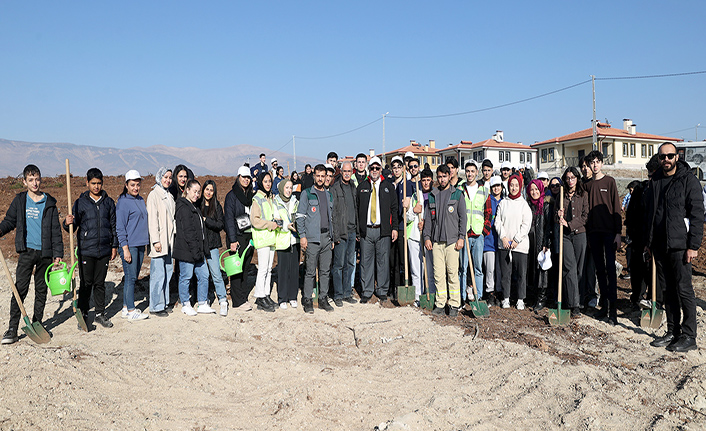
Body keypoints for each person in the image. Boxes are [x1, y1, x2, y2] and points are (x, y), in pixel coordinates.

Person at [646, 143, 704, 352]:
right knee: (667, 290)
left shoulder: (688, 180)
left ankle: (689, 336)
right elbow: (652, 215)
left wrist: (693, 246)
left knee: (684, 290)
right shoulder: (656, 181)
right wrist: (650, 243)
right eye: (662, 157)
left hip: (680, 246)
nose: (666, 160)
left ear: (677, 157)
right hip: (660, 245)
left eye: (670, 156)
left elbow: (697, 215)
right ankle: (673, 331)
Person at [0, 165, 63, 344]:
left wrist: (58, 253)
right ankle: (12, 329)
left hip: (45, 253)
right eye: (31, 180)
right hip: (26, 251)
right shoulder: (20, 200)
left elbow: (56, 231)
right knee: (20, 289)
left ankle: (37, 323)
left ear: (41, 180)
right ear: (24, 182)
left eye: (37, 179)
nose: (35, 183)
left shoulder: (49, 202)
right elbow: (9, 221)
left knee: (41, 289)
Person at [63, 168, 118, 328]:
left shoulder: (108, 202)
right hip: (86, 250)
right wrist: (67, 223)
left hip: (104, 250)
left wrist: (114, 245)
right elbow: (72, 226)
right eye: (93, 183)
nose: (96, 186)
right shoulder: (80, 203)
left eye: (99, 183)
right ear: (87, 183)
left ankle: (100, 314)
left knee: (100, 283)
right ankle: (84, 315)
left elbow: (113, 225)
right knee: (86, 284)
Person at [423, 164, 466, 316]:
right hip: (436, 242)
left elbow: (463, 218)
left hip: (452, 242)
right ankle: (440, 303)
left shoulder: (457, 195)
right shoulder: (433, 195)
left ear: (449, 176)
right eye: (439, 177)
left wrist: (461, 237)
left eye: (444, 176)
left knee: (452, 273)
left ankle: (454, 304)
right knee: (438, 274)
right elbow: (428, 220)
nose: (442, 179)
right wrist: (427, 237)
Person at [584, 150, 621, 325]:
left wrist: (618, 234)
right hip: (594, 234)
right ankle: (604, 307)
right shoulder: (587, 186)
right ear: (589, 165)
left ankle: (613, 312)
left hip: (609, 234)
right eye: (592, 162)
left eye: (598, 161)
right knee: (599, 271)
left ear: (602, 163)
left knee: (610, 271)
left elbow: (616, 209)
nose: (595, 165)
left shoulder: (610, 182)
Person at [357, 157, 399, 304]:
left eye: (377, 168)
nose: (374, 171)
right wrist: (358, 230)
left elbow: (394, 208)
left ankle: (382, 290)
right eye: (372, 168)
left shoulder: (388, 186)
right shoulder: (362, 186)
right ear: (369, 169)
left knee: (383, 262)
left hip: (383, 230)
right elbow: (357, 209)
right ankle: (367, 291)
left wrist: (394, 228)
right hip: (366, 231)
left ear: (381, 169)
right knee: (366, 262)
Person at [297, 164, 335, 313]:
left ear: (326, 177)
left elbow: (331, 218)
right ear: (314, 176)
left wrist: (331, 238)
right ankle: (307, 299)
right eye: (317, 175)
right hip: (312, 238)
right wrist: (303, 236)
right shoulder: (307, 194)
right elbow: (300, 217)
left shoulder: (328, 195)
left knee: (325, 270)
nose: (320, 178)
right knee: (310, 271)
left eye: (322, 176)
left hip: (326, 238)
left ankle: (323, 298)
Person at [174, 179, 213, 316]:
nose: (197, 194)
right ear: (187, 190)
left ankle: (202, 303)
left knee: (204, 275)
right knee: (186, 276)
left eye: (198, 192)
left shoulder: (194, 207)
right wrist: (196, 250)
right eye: (194, 191)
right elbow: (188, 232)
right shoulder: (184, 208)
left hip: (197, 250)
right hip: (187, 250)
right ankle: (185, 303)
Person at [552, 167, 588, 316]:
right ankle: (574, 305)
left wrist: (570, 224)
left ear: (577, 178)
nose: (570, 180)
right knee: (569, 268)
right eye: (568, 178)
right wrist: (558, 214)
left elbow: (586, 216)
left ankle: (578, 298)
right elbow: (555, 217)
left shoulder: (583, 194)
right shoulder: (561, 194)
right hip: (565, 236)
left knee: (579, 270)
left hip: (579, 234)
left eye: (573, 177)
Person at [626, 155, 660, 309]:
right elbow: (631, 214)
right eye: (649, 174)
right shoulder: (641, 190)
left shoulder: (663, 190)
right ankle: (637, 299)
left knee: (654, 272)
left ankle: (655, 301)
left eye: (654, 174)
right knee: (638, 270)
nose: (651, 177)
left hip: (657, 238)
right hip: (639, 237)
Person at [494, 173, 532, 310]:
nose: (514, 188)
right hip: (504, 244)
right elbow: (498, 221)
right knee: (506, 273)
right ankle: (506, 298)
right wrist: (503, 237)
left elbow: (526, 224)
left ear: (520, 187)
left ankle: (520, 298)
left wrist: (516, 239)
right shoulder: (503, 203)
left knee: (521, 274)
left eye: (516, 185)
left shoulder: (524, 205)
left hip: (520, 246)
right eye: (511, 185)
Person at [116, 170, 149, 321]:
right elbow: (120, 227)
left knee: (133, 276)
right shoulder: (123, 202)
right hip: (130, 246)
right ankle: (131, 310)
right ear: (126, 185)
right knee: (130, 278)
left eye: (137, 184)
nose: (136, 188)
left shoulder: (141, 200)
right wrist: (125, 248)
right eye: (132, 185)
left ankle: (124, 307)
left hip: (141, 244)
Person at [224, 166, 255, 312]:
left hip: (249, 235)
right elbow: (229, 219)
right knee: (236, 269)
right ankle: (237, 300)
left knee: (246, 268)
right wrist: (232, 239)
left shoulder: (250, 196)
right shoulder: (232, 196)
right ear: (238, 177)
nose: (246, 180)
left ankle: (243, 296)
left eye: (248, 177)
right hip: (237, 237)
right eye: (243, 177)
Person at [146, 167, 176, 318]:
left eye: (170, 177)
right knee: (158, 274)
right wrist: (155, 240)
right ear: (159, 177)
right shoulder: (154, 195)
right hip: (160, 242)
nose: (168, 180)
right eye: (165, 177)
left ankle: (164, 302)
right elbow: (152, 220)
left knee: (167, 272)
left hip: (169, 241)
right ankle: (156, 305)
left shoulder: (168, 195)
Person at [459, 160, 488, 303]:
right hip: (464, 234)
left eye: (472, 171)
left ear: (477, 172)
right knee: (462, 268)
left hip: (478, 234)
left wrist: (484, 231)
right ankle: (462, 298)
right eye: (467, 171)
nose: (470, 174)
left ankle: (478, 296)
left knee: (478, 268)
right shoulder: (459, 189)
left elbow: (488, 213)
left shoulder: (483, 190)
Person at [331, 161, 358, 307]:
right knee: (338, 265)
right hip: (341, 233)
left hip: (352, 231)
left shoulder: (353, 187)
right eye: (345, 171)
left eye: (349, 171)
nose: (347, 173)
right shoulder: (335, 188)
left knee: (349, 264)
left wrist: (358, 231)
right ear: (341, 172)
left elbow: (356, 208)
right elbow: (333, 214)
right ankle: (338, 295)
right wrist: (335, 235)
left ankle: (347, 293)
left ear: (352, 172)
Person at [250, 172, 278, 312]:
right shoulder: (258, 199)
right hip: (263, 238)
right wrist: (269, 224)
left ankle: (266, 295)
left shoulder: (269, 197)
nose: (268, 184)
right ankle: (260, 297)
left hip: (271, 237)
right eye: (265, 181)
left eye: (269, 181)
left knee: (268, 269)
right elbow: (254, 220)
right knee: (262, 269)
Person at [201, 180, 229, 316]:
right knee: (202, 275)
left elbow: (220, 225)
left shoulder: (216, 206)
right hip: (199, 244)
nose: (208, 192)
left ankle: (223, 299)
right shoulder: (197, 204)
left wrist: (207, 220)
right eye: (207, 189)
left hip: (212, 244)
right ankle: (203, 299)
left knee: (216, 273)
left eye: (211, 190)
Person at [274, 179, 300, 309]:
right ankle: (282, 297)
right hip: (282, 240)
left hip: (295, 240)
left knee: (294, 269)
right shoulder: (276, 202)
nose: (289, 190)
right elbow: (275, 220)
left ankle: (292, 296)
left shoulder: (295, 202)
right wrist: (286, 226)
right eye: (287, 188)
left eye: (290, 188)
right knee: (283, 270)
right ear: (282, 188)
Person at [389, 156, 413, 295]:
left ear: (403, 168)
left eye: (399, 167)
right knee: (393, 260)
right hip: (393, 226)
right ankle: (393, 287)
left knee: (403, 260)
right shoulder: (390, 184)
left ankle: (405, 286)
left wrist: (407, 204)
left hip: (402, 226)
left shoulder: (407, 184)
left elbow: (408, 204)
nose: (397, 170)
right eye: (394, 167)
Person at [525, 178, 550, 310]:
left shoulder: (545, 205)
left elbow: (547, 226)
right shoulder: (528, 205)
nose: (534, 192)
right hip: (529, 240)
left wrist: (546, 243)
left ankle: (542, 298)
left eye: (536, 189)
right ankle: (533, 296)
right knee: (532, 269)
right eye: (531, 189)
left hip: (540, 241)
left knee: (542, 269)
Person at [482, 176, 503, 306]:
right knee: (489, 269)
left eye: (498, 186)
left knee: (499, 269)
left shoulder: (504, 201)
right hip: (488, 240)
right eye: (494, 186)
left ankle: (499, 292)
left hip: (501, 241)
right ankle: (490, 292)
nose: (496, 188)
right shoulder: (487, 200)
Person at [418, 168, 436, 298]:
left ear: (432, 181)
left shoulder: (434, 195)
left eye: (428, 180)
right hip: (419, 233)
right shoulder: (417, 195)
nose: (426, 183)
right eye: (423, 180)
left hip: (432, 234)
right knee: (421, 265)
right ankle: (423, 292)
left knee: (432, 266)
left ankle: (432, 292)